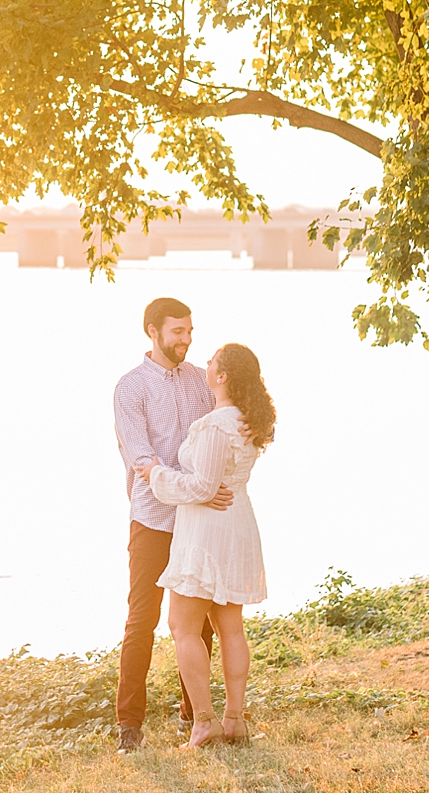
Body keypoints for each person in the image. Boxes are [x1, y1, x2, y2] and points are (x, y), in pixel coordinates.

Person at [136, 342, 274, 749]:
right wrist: (203, 487)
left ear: (223, 376)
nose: (206, 364)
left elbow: (203, 486)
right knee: (229, 627)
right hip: (234, 523)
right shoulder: (247, 420)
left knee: (182, 625)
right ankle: (233, 720)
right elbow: (214, 483)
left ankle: (206, 722)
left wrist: (154, 473)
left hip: (208, 530)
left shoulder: (217, 424)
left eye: (212, 361)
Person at [111, 297, 232, 753]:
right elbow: (141, 458)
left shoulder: (203, 381)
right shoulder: (131, 388)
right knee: (142, 620)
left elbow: (224, 433)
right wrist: (199, 486)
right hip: (153, 517)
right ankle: (129, 726)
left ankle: (193, 714)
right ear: (152, 331)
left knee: (198, 622)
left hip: (197, 517)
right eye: (177, 331)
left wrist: (216, 485)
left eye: (189, 331)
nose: (186, 339)